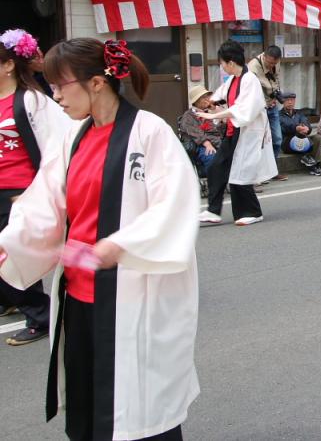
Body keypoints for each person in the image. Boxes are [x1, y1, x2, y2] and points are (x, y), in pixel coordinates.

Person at [0, 38, 200, 440]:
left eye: (60, 85)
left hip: (135, 291)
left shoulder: (149, 132)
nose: (55, 95)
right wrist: (11, 240)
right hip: (80, 295)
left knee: (141, 407)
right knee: (90, 402)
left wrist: (121, 244)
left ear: (96, 82)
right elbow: (45, 204)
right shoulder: (72, 138)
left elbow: (175, 203)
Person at [0, 29, 69, 347]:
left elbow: (58, 144)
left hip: (20, 190)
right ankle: (11, 298)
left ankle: (39, 314)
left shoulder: (31, 101)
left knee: (11, 250)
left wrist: (40, 191)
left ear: (8, 65)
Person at [198, 40, 278, 225]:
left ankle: (253, 212)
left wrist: (214, 115)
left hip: (248, 132)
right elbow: (220, 97)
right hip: (233, 131)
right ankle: (213, 210)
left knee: (240, 173)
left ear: (230, 63)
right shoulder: (233, 80)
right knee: (216, 167)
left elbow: (245, 109)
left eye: (222, 63)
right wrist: (212, 105)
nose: (222, 66)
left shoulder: (250, 80)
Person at [248, 45, 287, 180]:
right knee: (260, 142)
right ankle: (259, 174)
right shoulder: (253, 67)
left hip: (272, 105)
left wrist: (276, 95)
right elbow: (251, 90)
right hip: (260, 109)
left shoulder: (276, 63)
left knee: (277, 139)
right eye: (269, 63)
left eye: (274, 63)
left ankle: (273, 171)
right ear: (264, 56)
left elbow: (276, 80)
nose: (271, 65)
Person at [178, 85, 225, 177]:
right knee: (211, 158)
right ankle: (215, 185)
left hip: (220, 142)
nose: (207, 99)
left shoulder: (212, 111)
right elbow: (195, 132)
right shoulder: (189, 116)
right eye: (203, 97)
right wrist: (207, 143)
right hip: (202, 145)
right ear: (196, 101)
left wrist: (216, 111)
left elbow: (225, 126)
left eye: (207, 96)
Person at [279, 92, 321, 176]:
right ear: (283, 101)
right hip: (287, 142)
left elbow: (306, 123)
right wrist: (297, 128)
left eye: (292, 100)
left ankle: (317, 163)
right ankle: (313, 167)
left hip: (303, 139)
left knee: (318, 137)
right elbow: (285, 126)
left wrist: (307, 128)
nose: (290, 102)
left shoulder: (299, 113)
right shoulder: (279, 115)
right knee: (300, 135)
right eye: (287, 100)